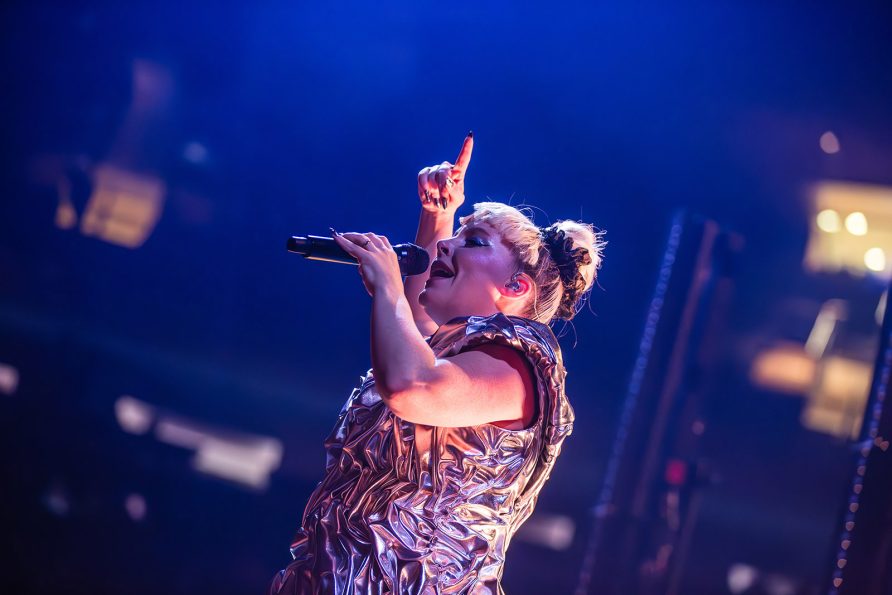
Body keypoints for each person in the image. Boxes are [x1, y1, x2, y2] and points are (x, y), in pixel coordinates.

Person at [269, 133, 606, 594]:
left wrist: (388, 288)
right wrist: (438, 215)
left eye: (476, 241)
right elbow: (419, 326)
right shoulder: (456, 351)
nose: (448, 246)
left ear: (515, 286)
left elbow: (412, 384)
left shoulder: (521, 368)